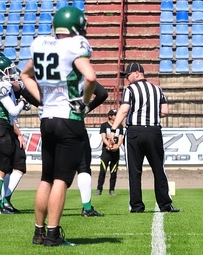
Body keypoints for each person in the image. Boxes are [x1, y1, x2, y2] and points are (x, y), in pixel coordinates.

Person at [21, 5, 97, 245]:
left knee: (46, 177)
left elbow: (25, 75)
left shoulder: (41, 43)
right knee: (62, 179)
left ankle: (38, 232)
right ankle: (53, 234)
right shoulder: (76, 45)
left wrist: (41, 98)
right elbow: (91, 77)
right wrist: (84, 102)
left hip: (47, 119)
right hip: (68, 119)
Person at [110, 62, 178, 213]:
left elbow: (124, 110)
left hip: (135, 132)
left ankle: (137, 206)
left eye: (128, 75)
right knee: (158, 169)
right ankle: (165, 204)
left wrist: (114, 129)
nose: (126, 79)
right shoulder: (157, 89)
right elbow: (165, 111)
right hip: (154, 132)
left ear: (136, 73)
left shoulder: (130, 90)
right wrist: (150, 113)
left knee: (134, 171)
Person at [0, 55, 27, 215]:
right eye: (8, 70)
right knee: (1, 168)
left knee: (2, 167)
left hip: (0, 125)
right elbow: (13, 110)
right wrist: (23, 101)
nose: (10, 73)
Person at [75, 83, 109, 217]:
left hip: (50, 123)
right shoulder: (77, 75)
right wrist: (87, 108)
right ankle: (87, 208)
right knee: (83, 168)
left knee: (53, 174)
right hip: (74, 122)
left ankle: (48, 213)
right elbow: (102, 94)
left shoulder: (47, 74)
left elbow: (29, 92)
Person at [98, 108, 122, 196]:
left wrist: (117, 146)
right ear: (110, 116)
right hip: (106, 152)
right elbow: (103, 137)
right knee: (102, 171)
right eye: (114, 115)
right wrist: (108, 145)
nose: (116, 117)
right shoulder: (104, 125)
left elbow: (120, 138)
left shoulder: (120, 126)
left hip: (115, 152)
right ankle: (99, 189)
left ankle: (112, 190)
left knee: (113, 172)